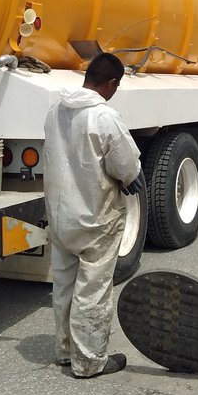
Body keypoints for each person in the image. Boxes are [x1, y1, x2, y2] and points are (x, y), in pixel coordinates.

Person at [43, 53, 143, 378]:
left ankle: (64, 351)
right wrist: (131, 179)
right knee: (93, 290)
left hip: (61, 218)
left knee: (64, 286)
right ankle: (88, 361)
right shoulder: (103, 116)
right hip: (94, 220)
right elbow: (126, 165)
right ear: (111, 83)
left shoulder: (55, 111)